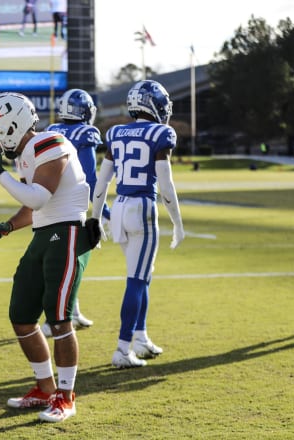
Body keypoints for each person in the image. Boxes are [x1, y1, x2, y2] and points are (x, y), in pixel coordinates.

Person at [0, 92, 101, 422]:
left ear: (12, 125)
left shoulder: (50, 142)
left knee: (59, 319)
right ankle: (45, 387)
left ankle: (66, 395)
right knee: (21, 314)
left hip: (68, 235)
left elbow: (39, 197)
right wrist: (8, 226)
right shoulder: (25, 155)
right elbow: (32, 209)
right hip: (44, 235)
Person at [89, 80, 185, 369]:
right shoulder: (161, 133)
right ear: (153, 104)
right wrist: (178, 223)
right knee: (136, 279)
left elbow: (102, 181)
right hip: (142, 208)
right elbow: (166, 186)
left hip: (118, 209)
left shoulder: (116, 132)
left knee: (142, 274)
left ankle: (141, 338)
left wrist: (95, 218)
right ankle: (122, 348)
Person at [44, 88, 111, 333]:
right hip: (72, 206)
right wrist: (105, 212)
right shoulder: (85, 132)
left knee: (65, 262)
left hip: (49, 202)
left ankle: (72, 311)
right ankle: (52, 321)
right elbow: (90, 179)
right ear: (85, 111)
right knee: (65, 264)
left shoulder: (51, 130)